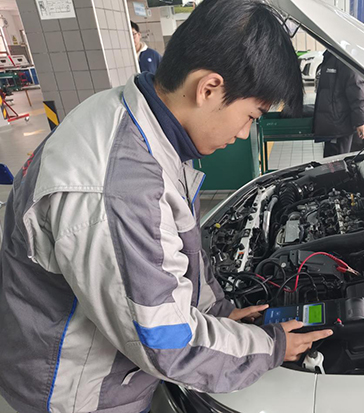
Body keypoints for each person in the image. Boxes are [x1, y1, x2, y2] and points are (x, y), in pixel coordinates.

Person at [0, 1, 332, 412]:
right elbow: (165, 342)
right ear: (208, 88)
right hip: (78, 395)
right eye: (251, 115)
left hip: (100, 363)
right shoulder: (121, 186)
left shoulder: (130, 118)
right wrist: (270, 346)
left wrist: (217, 313)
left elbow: (175, 252)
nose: (245, 133)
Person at [313, 51, 364, 157]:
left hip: (341, 123)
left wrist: (361, 121)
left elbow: (358, 89)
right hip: (337, 121)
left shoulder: (344, 58)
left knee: (336, 160)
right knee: (334, 158)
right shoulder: (333, 55)